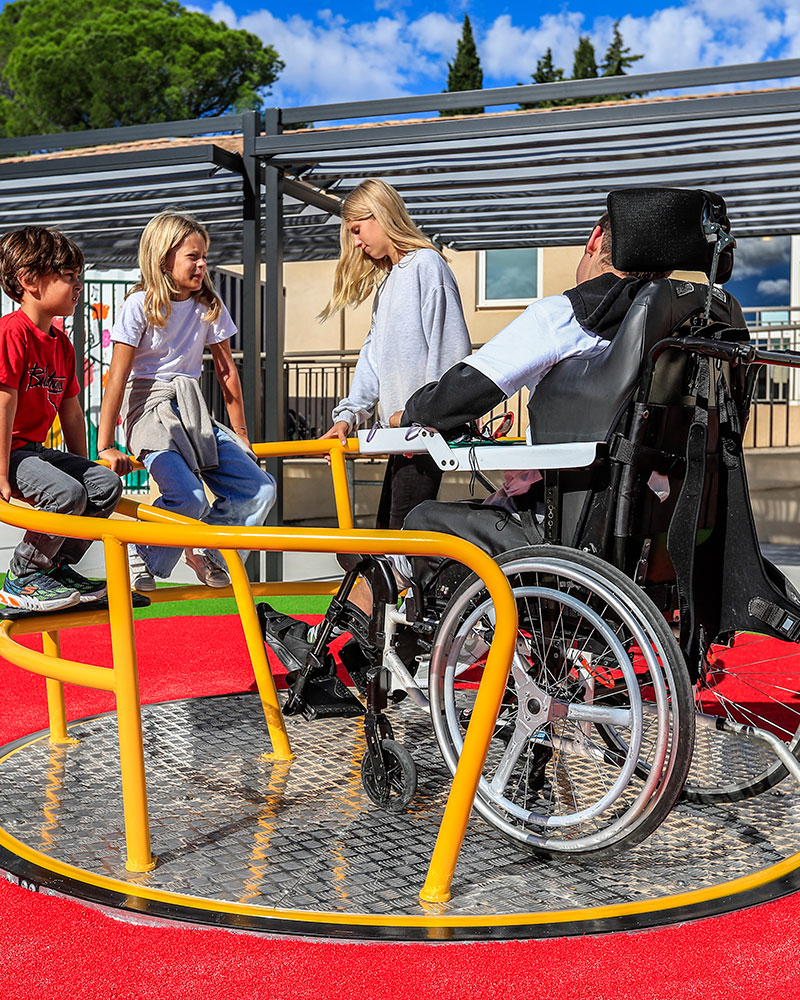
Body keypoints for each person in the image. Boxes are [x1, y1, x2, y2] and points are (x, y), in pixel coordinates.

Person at [261, 210, 671, 667]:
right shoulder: (682, 329)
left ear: (595, 239)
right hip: (649, 533)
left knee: (417, 527)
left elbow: (472, 383)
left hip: (560, 529)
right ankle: (347, 649)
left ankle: (359, 654)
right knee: (416, 536)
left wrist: (412, 412)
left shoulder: (567, 315)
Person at [98, 212, 275, 590]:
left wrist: (241, 433)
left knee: (260, 487)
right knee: (189, 498)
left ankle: (206, 549)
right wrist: (105, 443)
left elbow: (227, 371)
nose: (201, 265)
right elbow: (118, 376)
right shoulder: (140, 305)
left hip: (191, 410)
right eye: (193, 257)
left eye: (204, 257)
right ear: (164, 259)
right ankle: (141, 550)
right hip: (148, 408)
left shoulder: (207, 305)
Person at [318, 178, 471, 530]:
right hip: (403, 435)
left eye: (358, 230)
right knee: (390, 544)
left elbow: (450, 349)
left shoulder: (426, 266)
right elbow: (372, 360)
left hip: (424, 434)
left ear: (382, 215)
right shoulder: (387, 283)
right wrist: (348, 416)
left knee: (399, 549)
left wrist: (431, 416)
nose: (356, 243)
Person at [0, 227, 123, 612]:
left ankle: (55, 567)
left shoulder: (62, 344)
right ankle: (22, 575)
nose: (78, 286)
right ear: (30, 281)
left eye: (78, 278)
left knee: (104, 484)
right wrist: (0, 471)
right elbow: (3, 403)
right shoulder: (11, 334)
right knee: (65, 494)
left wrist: (82, 465)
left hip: (33, 450)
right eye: (69, 277)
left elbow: (71, 410)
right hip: (10, 451)